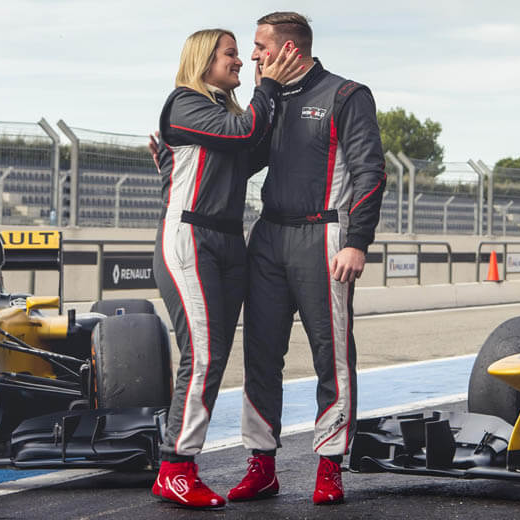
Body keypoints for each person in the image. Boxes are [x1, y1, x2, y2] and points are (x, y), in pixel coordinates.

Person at [228, 12, 386, 505]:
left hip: (325, 237)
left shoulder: (346, 95)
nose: (253, 55)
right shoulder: (270, 99)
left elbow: (370, 173)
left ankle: (329, 464)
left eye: (260, 46)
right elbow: (238, 158)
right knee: (259, 353)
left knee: (332, 356)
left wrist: (357, 241)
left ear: (289, 49)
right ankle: (261, 463)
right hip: (269, 236)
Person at [150, 28, 303, 509]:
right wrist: (270, 87)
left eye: (241, 54)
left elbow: (255, 144)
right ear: (204, 59)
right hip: (189, 237)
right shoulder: (184, 103)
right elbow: (245, 133)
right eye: (231, 54)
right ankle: (175, 468)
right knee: (202, 354)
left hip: (228, 241)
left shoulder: (224, 113)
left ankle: (186, 462)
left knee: (213, 356)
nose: (240, 61)